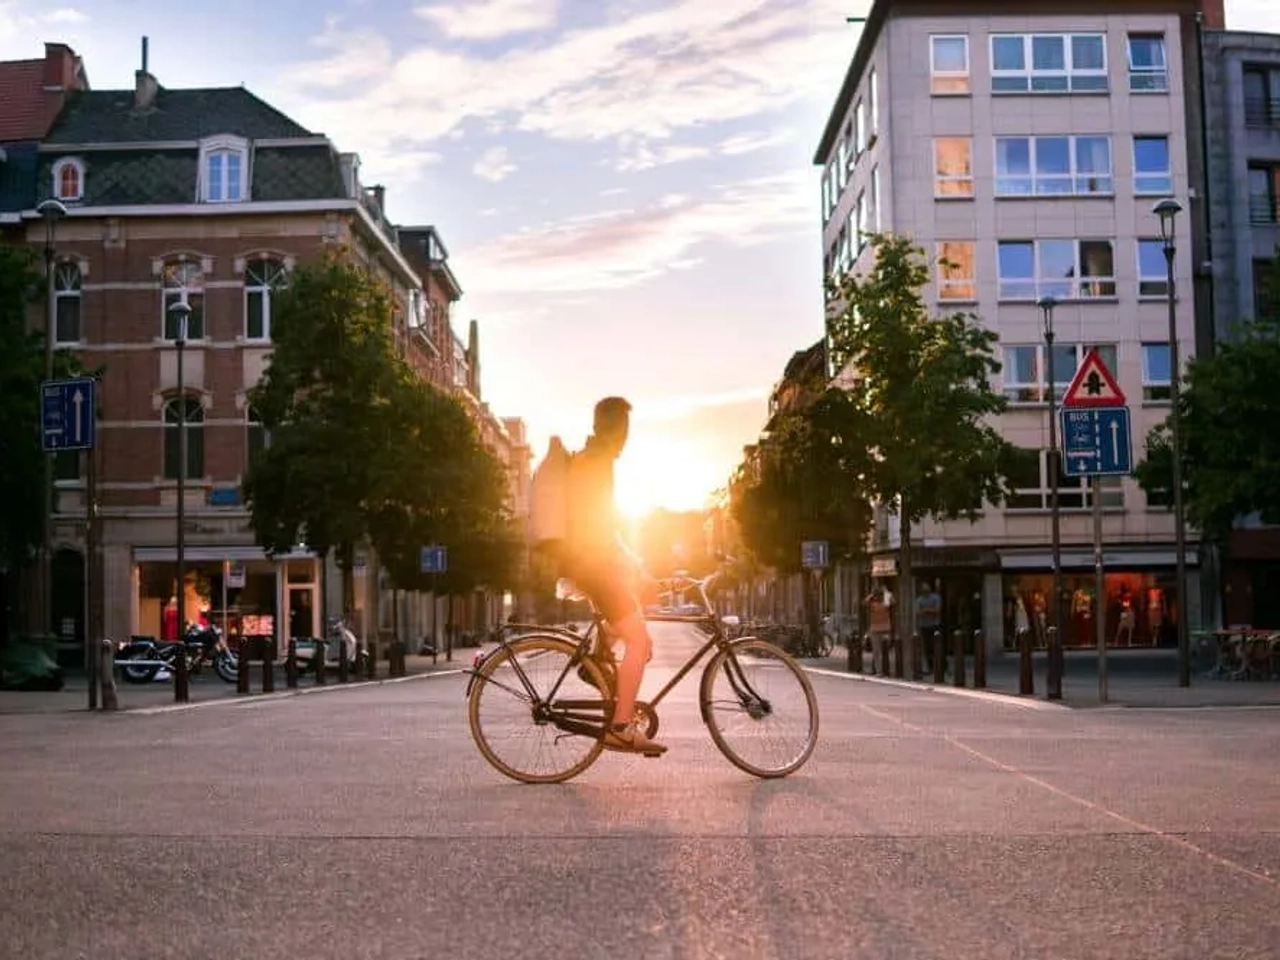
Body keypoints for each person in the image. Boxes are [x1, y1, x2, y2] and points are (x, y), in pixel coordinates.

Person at [560, 397, 667, 757]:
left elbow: (604, 525)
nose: (624, 438)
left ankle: (594, 660)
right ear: (608, 429)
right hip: (594, 566)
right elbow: (599, 528)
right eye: (621, 429)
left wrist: (633, 564)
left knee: (639, 638)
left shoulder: (588, 458)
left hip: (590, 563)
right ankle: (620, 728)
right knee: (639, 643)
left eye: (626, 430)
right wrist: (632, 566)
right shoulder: (598, 463)